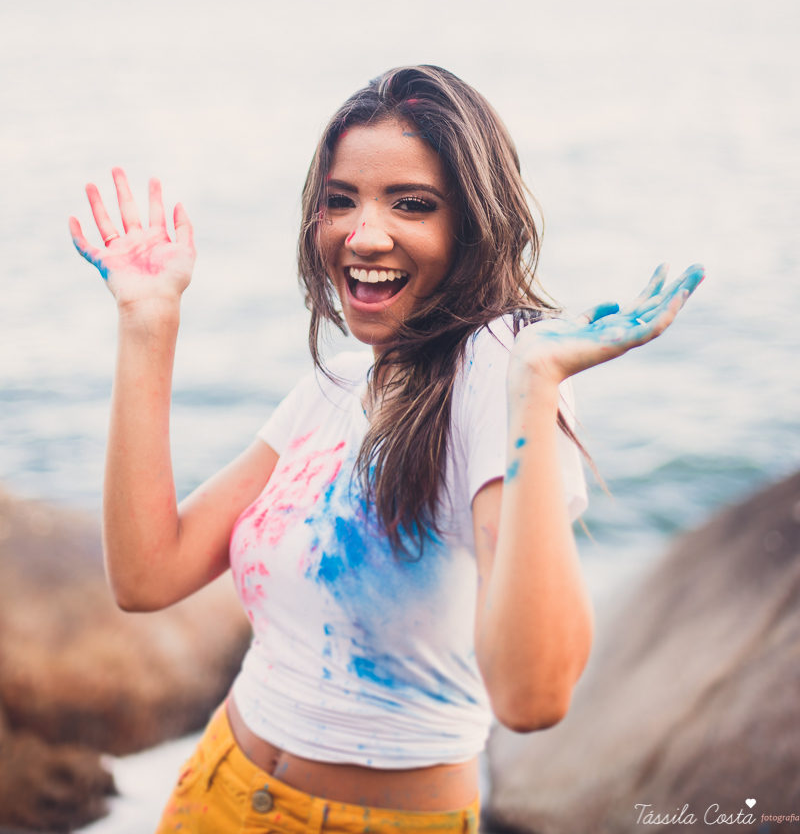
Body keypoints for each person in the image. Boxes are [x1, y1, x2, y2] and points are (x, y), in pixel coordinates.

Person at [69, 65, 703, 833]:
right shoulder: (338, 383)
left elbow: (534, 698)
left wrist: (535, 385)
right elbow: (147, 574)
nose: (363, 234)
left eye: (412, 204)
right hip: (216, 786)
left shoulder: (497, 372)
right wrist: (149, 321)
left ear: (472, 223)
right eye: (341, 201)